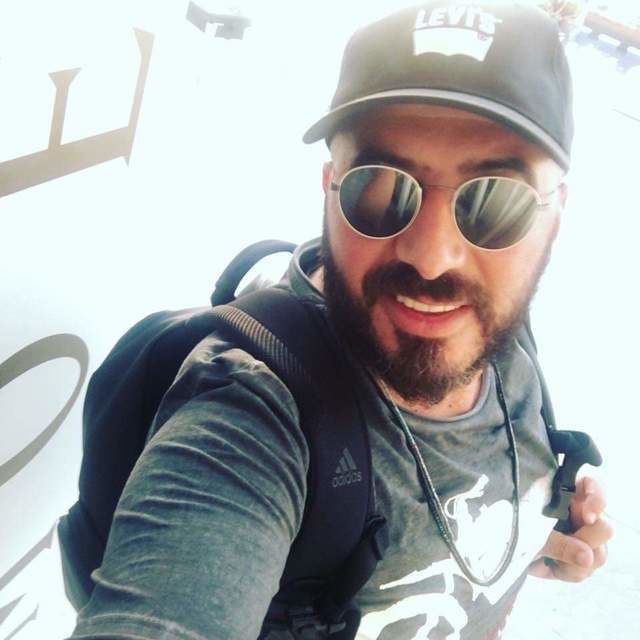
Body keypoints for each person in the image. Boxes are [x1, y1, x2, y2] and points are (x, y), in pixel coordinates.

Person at [66, 3, 613, 639]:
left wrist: (523, 539)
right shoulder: (250, 415)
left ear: (553, 214)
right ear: (329, 186)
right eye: (380, 189)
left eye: (495, 203)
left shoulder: (507, 337)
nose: (432, 258)